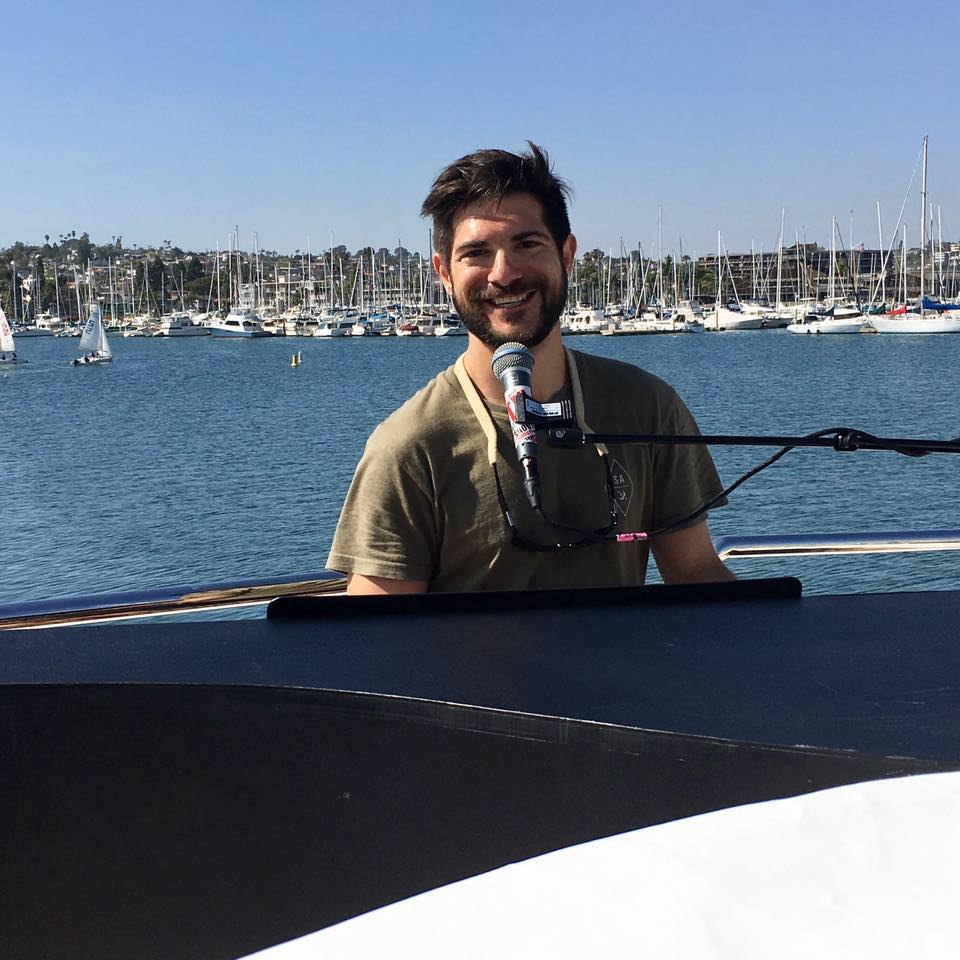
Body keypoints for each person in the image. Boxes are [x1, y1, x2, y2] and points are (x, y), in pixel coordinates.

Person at [327, 142, 734, 595]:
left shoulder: (648, 407)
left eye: (527, 243)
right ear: (443, 273)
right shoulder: (408, 447)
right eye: (476, 253)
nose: (503, 273)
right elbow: (379, 639)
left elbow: (696, 572)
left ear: (566, 254)